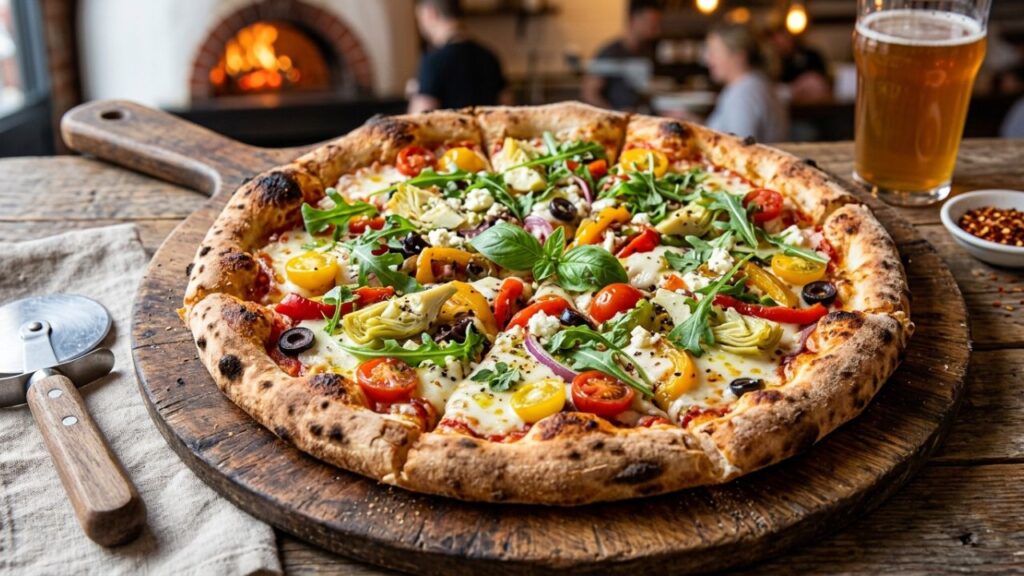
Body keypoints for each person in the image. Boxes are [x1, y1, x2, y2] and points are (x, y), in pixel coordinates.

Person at [409, 0, 510, 113]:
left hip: (451, 129)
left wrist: (415, 93)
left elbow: (419, 117)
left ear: (430, 13)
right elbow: (506, 107)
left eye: (419, 19)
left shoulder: (433, 61)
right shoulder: (489, 55)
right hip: (486, 130)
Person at [704, 22, 789, 143]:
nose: (707, 58)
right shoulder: (752, 83)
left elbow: (741, 148)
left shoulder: (744, 94)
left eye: (714, 51)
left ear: (738, 56)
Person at [582, 0, 663, 112]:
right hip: (617, 120)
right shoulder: (610, 52)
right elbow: (590, 94)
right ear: (633, 20)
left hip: (641, 116)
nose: (655, 30)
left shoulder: (646, 51)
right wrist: (614, 115)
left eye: (656, 24)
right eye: (650, 23)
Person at [769, 27, 831, 104]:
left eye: (784, 39)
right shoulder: (775, 63)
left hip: (818, 104)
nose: (781, 45)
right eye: (777, 43)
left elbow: (822, 83)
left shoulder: (811, 56)